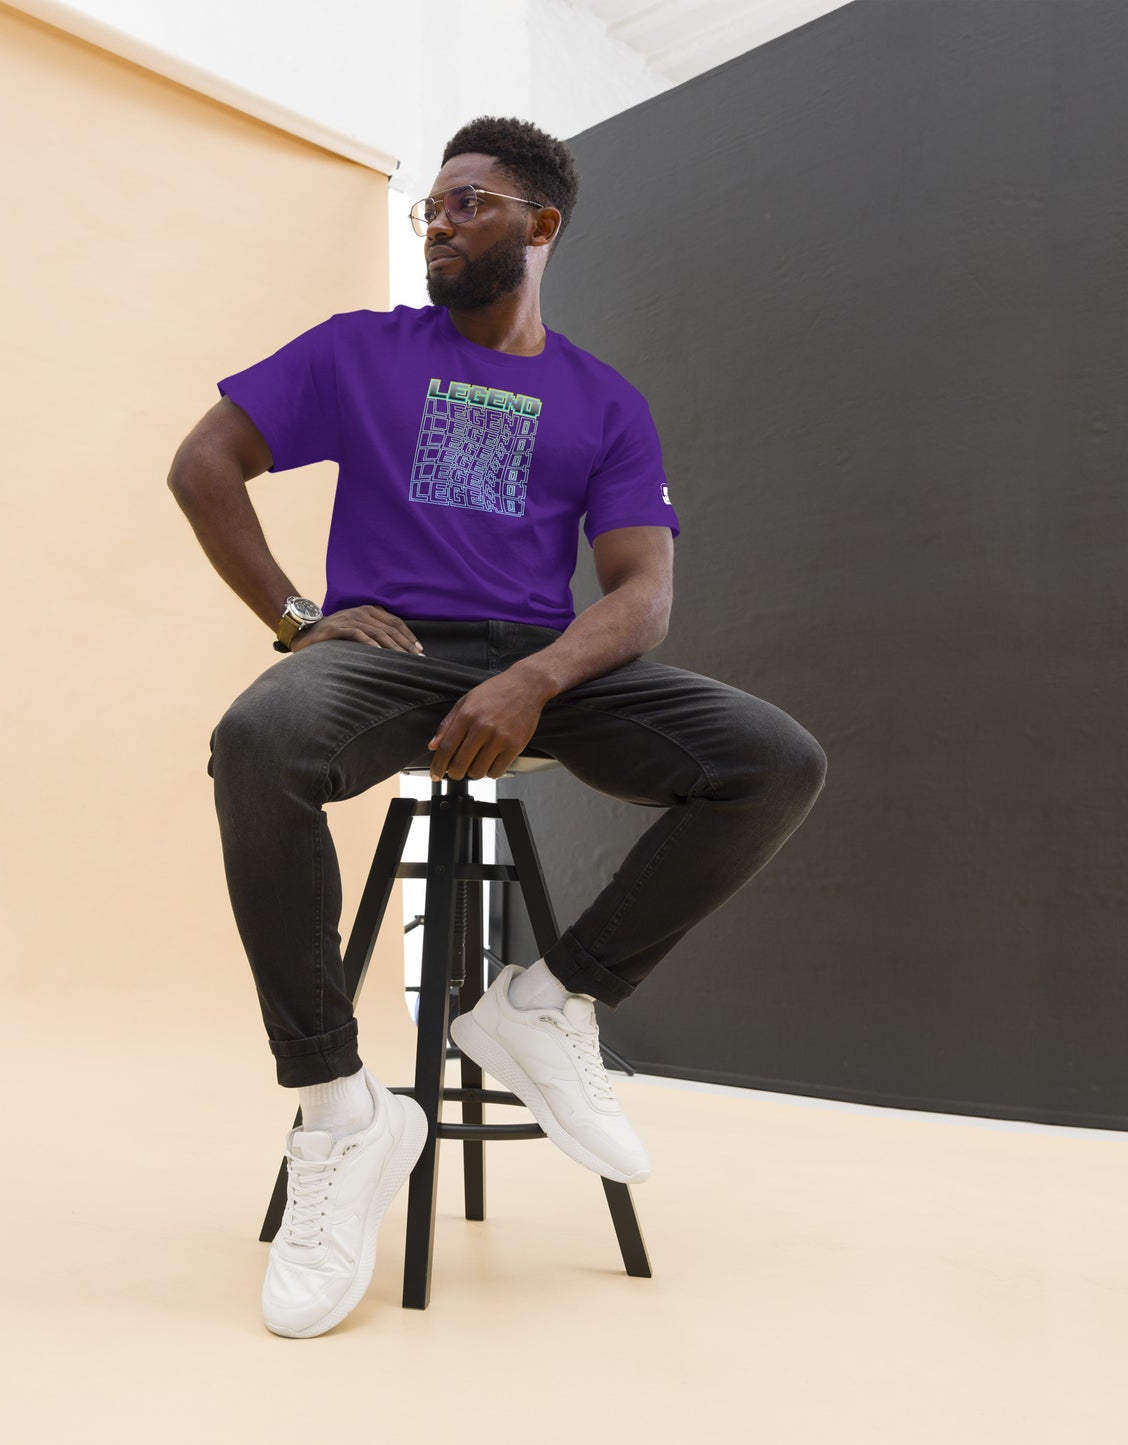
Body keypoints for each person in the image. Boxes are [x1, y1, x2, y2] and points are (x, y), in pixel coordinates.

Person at [168, 116, 827, 1338]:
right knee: (256, 742)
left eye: (465, 202)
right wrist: (299, 617)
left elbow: (640, 594)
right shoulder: (359, 352)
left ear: (539, 224)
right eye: (427, 207)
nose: (437, 222)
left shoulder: (602, 400)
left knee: (772, 760)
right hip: (391, 657)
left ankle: (544, 1001)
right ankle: (338, 1110)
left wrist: (534, 680)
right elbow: (203, 461)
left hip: (542, 665)